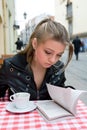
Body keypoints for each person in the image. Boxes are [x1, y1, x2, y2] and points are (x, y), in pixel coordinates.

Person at [0, 18, 74, 101]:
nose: (53, 60)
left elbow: (59, 92)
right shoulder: (11, 67)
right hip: (20, 113)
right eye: (48, 52)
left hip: (50, 114)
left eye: (59, 55)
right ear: (35, 43)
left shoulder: (58, 68)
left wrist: (68, 92)